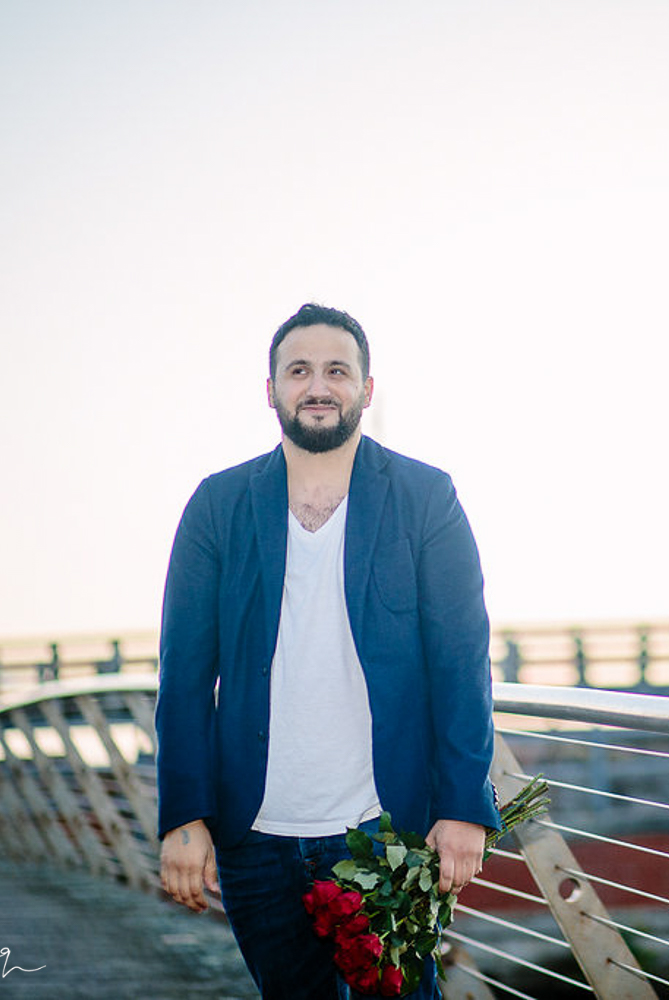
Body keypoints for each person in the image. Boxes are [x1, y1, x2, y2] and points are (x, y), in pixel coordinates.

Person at [155, 303, 501, 999]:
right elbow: (184, 679)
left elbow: (462, 664)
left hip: (386, 831)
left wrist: (464, 806)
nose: (318, 386)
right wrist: (184, 817)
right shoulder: (217, 505)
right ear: (271, 389)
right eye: (299, 371)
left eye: (337, 371)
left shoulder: (425, 497)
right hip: (255, 837)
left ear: (366, 389)